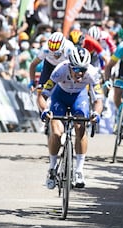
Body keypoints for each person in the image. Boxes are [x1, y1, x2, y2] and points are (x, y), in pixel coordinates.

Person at [41, 46, 103, 189]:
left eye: (83, 70)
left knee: (80, 128)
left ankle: (79, 170)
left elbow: (98, 100)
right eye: (76, 70)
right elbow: (43, 95)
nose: (80, 74)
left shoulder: (93, 73)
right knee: (56, 132)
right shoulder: (60, 70)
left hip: (79, 97)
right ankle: (52, 168)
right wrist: (45, 109)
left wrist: (96, 113)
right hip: (60, 97)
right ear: (69, 66)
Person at [29, 32, 75, 115]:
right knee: (41, 91)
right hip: (49, 66)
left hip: (65, 67)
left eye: (57, 53)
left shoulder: (70, 48)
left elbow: (74, 67)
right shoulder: (45, 49)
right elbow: (33, 65)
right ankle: (43, 114)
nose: (55, 56)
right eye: (52, 52)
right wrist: (32, 81)